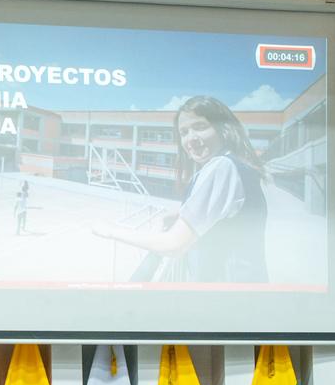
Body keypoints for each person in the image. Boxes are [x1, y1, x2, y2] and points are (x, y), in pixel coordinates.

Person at [93, 95, 268, 283]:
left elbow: (174, 244)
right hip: (246, 294)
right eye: (184, 132)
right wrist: (184, 213)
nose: (190, 139)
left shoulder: (221, 167)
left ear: (223, 129)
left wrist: (111, 231)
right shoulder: (239, 165)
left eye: (200, 127)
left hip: (228, 300)